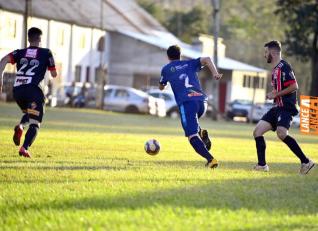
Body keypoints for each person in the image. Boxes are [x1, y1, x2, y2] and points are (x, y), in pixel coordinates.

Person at [253, 40, 314, 174]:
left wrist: (277, 94)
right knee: (257, 131)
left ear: (273, 53)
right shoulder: (275, 70)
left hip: (286, 107)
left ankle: (306, 161)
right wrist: (272, 94)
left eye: (266, 52)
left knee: (281, 133)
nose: (265, 55)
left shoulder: (284, 67)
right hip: (277, 107)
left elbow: (294, 86)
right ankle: (262, 165)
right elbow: (279, 90)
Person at [159, 45, 222, 168]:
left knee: (191, 136)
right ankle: (201, 132)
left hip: (187, 103)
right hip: (201, 102)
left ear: (168, 56)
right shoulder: (189, 63)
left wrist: (163, 85)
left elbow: (161, 87)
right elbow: (208, 59)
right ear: (180, 55)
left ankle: (211, 160)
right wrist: (215, 73)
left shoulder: (166, 69)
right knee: (193, 124)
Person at [0, 27, 57, 158]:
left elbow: (2, 61)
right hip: (34, 90)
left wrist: (0, 81)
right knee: (35, 123)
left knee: (29, 113)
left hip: (18, 90)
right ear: (40, 39)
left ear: (28, 39)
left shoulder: (19, 52)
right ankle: (24, 148)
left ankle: (20, 126)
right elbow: (54, 74)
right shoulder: (46, 52)